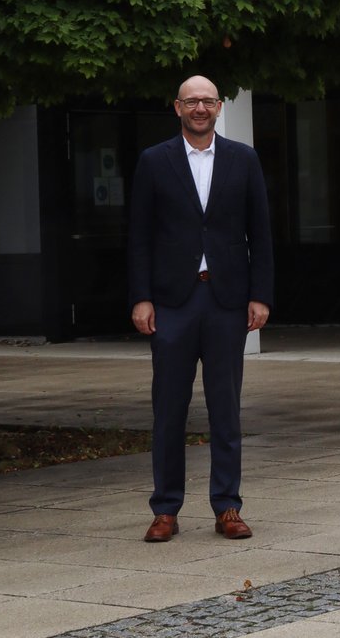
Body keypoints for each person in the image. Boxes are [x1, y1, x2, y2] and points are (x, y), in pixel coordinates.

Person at [128, 75, 273, 543]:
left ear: (218, 107)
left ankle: (228, 506)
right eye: (191, 101)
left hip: (227, 300)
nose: (199, 108)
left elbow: (261, 234)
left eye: (207, 101)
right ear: (176, 107)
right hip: (172, 302)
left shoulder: (242, 159)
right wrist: (141, 296)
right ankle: (166, 509)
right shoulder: (154, 161)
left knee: (226, 409)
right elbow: (139, 237)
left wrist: (260, 295)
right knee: (168, 409)